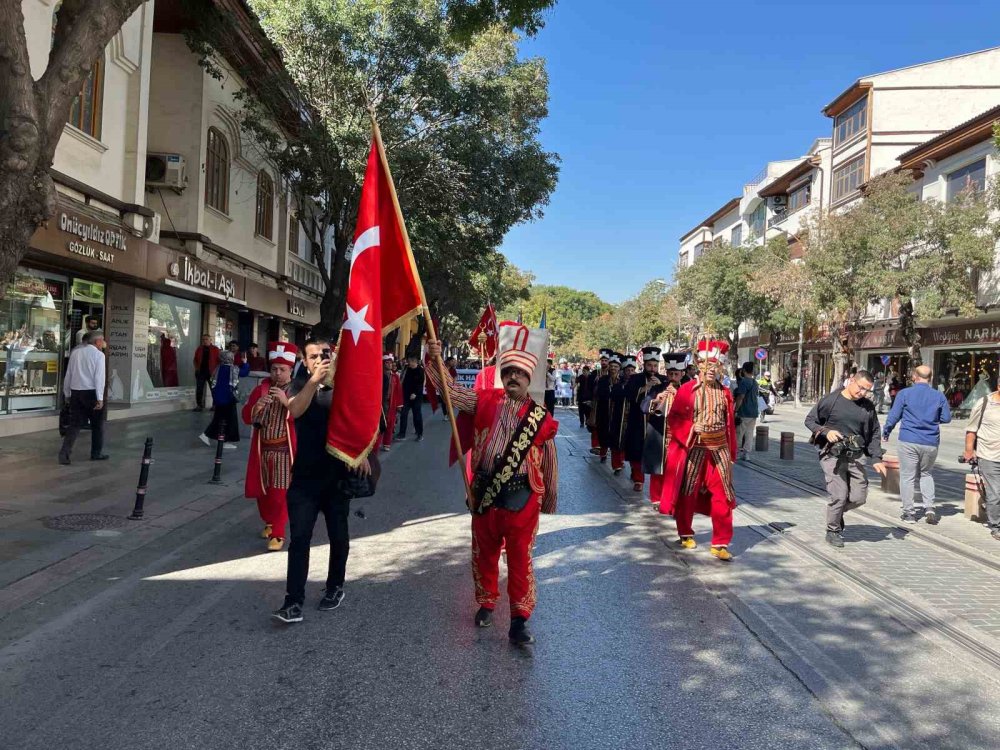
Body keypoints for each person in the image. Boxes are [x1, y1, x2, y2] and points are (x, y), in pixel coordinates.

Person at [426, 329, 558, 646]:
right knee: (483, 553)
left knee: (519, 558)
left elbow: (550, 459)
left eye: (520, 374)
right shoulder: (484, 400)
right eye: (508, 372)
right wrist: (435, 360)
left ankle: (519, 618)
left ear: (529, 379)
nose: (513, 377)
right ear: (501, 375)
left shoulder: (540, 417)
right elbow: (451, 392)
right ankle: (486, 602)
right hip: (486, 492)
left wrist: (550, 498)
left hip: (523, 498)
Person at [273, 339, 370, 624]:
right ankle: (293, 602)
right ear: (304, 360)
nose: (319, 359)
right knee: (300, 539)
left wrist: (362, 451)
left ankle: (335, 586)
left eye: (325, 354)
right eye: (313, 356)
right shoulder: (299, 385)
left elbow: (360, 420)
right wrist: (314, 382)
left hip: (337, 477)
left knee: (338, 536)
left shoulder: (344, 386)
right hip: (304, 478)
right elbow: (295, 411)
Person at [659, 340, 738, 561]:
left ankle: (720, 541)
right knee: (688, 490)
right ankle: (685, 532)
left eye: (716, 368)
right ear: (699, 367)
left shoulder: (724, 392)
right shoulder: (686, 390)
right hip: (694, 446)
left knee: (724, 492)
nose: (712, 371)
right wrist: (692, 427)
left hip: (719, 448)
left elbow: (730, 423)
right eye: (707, 367)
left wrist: (731, 452)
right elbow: (674, 419)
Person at [805, 370, 887, 548]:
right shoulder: (831, 400)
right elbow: (810, 420)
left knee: (859, 497)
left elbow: (874, 432)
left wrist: (876, 458)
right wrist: (827, 432)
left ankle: (837, 513)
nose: (863, 393)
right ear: (851, 381)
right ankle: (833, 530)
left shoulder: (867, 406)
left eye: (867, 390)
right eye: (861, 388)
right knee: (839, 495)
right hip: (832, 455)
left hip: (855, 456)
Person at [243, 343, 298, 551]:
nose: (277, 373)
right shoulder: (261, 389)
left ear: (291, 370)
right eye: (274, 369)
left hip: (285, 450)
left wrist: (286, 402)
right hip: (262, 450)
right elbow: (247, 417)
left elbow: (301, 416)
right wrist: (256, 407)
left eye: (282, 370)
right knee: (262, 490)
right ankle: (269, 520)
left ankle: (279, 532)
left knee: (280, 491)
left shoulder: (297, 390)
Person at [882, 365, 951, 525]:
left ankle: (909, 513)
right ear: (931, 377)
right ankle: (929, 509)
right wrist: (932, 419)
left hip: (908, 440)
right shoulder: (938, 396)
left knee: (907, 476)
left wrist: (886, 431)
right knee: (926, 474)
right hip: (930, 442)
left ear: (914, 376)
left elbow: (894, 415)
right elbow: (946, 418)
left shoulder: (905, 394)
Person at [59, 331, 108, 465]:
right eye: (102, 340)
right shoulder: (99, 355)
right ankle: (96, 453)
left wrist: (67, 393)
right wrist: (100, 398)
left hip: (76, 392)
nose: (104, 343)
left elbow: (68, 374)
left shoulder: (76, 353)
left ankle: (64, 453)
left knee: (74, 425)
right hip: (91, 393)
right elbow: (99, 378)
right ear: (97, 342)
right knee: (97, 425)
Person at [643, 352, 686, 505]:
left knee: (675, 469)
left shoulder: (687, 389)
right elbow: (643, 406)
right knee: (658, 467)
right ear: (666, 373)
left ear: (682, 374)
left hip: (678, 435)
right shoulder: (658, 387)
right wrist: (656, 400)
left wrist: (678, 396)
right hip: (659, 433)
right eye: (670, 374)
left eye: (676, 374)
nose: (673, 377)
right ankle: (656, 498)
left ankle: (672, 499)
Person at [624, 346, 662, 492]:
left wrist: (660, 387)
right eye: (649, 365)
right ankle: (639, 479)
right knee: (636, 451)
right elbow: (629, 395)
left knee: (655, 453)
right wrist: (647, 386)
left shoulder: (663, 379)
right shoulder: (635, 378)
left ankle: (655, 484)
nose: (652, 369)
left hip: (655, 424)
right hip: (637, 421)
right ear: (644, 365)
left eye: (655, 366)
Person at [964, 387, 1000, 541]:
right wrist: (969, 450)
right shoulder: (985, 402)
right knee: (996, 492)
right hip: (989, 455)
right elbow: (971, 429)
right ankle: (996, 525)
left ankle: (992, 510)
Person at [200, 350, 244, 448]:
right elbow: (244, 372)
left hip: (218, 399)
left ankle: (210, 436)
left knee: (219, 418)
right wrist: (245, 363)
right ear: (230, 358)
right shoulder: (233, 369)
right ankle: (221, 440)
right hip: (229, 398)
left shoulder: (218, 369)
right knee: (229, 420)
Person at [595, 353, 624, 467]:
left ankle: (617, 464)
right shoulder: (603, 380)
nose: (613, 369)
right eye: (611, 366)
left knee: (616, 439)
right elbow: (599, 394)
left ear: (619, 368)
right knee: (603, 434)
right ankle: (603, 453)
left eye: (615, 367)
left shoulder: (622, 381)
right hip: (604, 412)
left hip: (618, 413)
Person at [733, 362, 760, 461]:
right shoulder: (755, 382)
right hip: (754, 411)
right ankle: (746, 453)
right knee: (749, 433)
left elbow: (741, 397)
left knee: (739, 432)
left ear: (744, 370)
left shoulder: (744, 382)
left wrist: (736, 410)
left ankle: (735, 452)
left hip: (744, 411)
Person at [586, 350, 611, 454]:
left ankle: (606, 446)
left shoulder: (613, 372)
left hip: (609, 402)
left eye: (606, 360)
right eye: (602, 360)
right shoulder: (595, 373)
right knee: (595, 423)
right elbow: (589, 387)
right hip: (597, 402)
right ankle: (596, 445)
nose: (604, 362)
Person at [397, 354, 425, 441]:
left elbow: (421, 384)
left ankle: (419, 434)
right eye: (409, 361)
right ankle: (402, 434)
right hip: (406, 395)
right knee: (404, 414)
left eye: (411, 361)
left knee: (417, 415)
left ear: (415, 361)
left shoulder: (420, 370)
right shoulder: (407, 369)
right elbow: (402, 380)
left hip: (416, 397)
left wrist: (415, 393)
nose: (409, 363)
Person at [381, 354, 403, 451]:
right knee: (380, 423)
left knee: (390, 423)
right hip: (381, 402)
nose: (390, 365)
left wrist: (399, 404)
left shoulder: (395, 377)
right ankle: (375, 444)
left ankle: (387, 443)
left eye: (391, 363)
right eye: (387, 363)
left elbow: (398, 390)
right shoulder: (379, 374)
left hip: (391, 402)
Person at [192, 334, 220, 412]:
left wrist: (216, 371)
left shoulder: (215, 349)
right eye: (203, 339)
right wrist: (197, 368)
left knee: (213, 389)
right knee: (199, 389)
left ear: (210, 340)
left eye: (206, 339)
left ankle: (215, 405)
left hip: (212, 372)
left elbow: (219, 361)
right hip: (201, 372)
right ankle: (199, 405)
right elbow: (195, 360)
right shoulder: (199, 349)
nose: (204, 341)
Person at [576, 364, 593, 428]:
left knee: (587, 411)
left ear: (588, 371)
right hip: (581, 396)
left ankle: (587, 421)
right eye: (583, 371)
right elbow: (577, 383)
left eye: (585, 371)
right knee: (581, 411)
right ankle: (581, 422)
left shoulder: (592, 377)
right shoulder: (581, 377)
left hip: (588, 397)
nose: (584, 372)